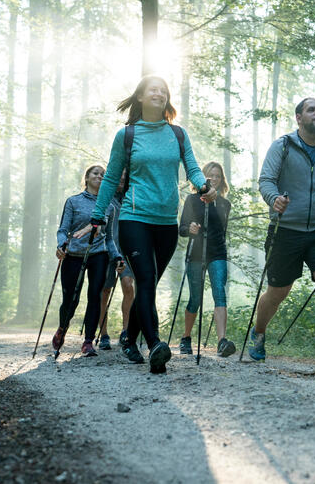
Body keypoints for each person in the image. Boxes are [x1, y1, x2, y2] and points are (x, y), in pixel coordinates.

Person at [76, 75, 216, 374]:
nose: (160, 93)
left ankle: (128, 338)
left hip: (166, 221)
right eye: (153, 89)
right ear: (140, 96)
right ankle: (154, 345)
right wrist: (98, 215)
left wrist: (204, 187)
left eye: (164, 90)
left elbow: (192, 166)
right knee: (146, 280)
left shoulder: (177, 135)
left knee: (146, 286)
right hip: (133, 218)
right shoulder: (126, 135)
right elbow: (112, 177)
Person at [248, 97, 315, 371]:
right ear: (299, 117)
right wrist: (274, 199)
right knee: (278, 291)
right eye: (311, 109)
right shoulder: (283, 146)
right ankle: (259, 332)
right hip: (286, 229)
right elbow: (266, 180)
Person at [52, 165, 124, 357]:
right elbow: (63, 229)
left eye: (103, 174)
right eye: (95, 173)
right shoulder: (73, 201)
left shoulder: (109, 206)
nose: (99, 176)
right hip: (73, 255)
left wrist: (117, 256)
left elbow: (109, 238)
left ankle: (88, 341)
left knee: (95, 296)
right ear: (86, 177)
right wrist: (62, 245)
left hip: (98, 255)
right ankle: (62, 328)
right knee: (71, 299)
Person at [178, 161, 235, 357]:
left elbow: (222, 231)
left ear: (222, 180)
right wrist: (190, 228)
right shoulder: (192, 200)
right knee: (196, 298)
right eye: (210, 176)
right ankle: (186, 337)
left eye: (217, 176)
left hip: (217, 252)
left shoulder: (225, 204)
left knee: (220, 293)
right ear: (203, 178)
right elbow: (182, 228)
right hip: (195, 253)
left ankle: (222, 341)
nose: (214, 179)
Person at [97, 173, 136, 350]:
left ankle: (126, 331)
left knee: (128, 286)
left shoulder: (132, 195)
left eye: (124, 176)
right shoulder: (104, 195)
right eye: (118, 175)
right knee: (104, 290)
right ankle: (103, 333)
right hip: (105, 249)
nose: (121, 179)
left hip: (125, 250)